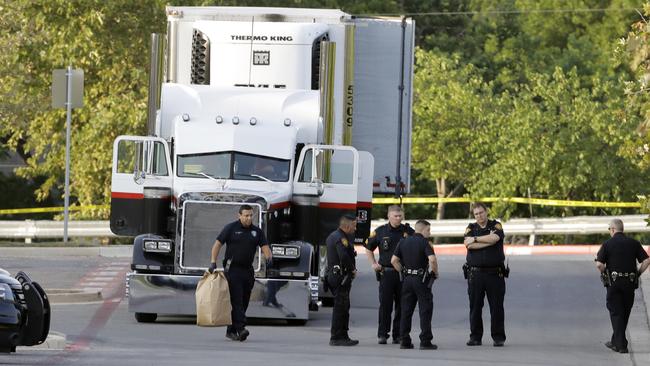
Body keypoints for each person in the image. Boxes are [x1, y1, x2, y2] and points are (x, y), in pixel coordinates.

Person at [208, 204, 272, 342]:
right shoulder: (231, 228)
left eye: (251, 215)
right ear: (239, 216)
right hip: (233, 270)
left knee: (244, 301)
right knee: (236, 300)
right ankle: (241, 328)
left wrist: (269, 258)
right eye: (246, 215)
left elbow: (265, 247)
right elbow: (217, 244)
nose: (249, 218)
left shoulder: (257, 232)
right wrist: (213, 262)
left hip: (247, 270)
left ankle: (230, 330)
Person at [595, 218, 650, 353]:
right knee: (624, 312)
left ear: (613, 229)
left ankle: (621, 346)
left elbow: (599, 264)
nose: (609, 231)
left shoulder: (607, 244)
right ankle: (616, 341)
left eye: (609, 229)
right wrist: (637, 274)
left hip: (614, 283)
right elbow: (647, 260)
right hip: (630, 283)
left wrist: (602, 271)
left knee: (616, 312)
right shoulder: (634, 243)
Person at [364, 205, 414, 344]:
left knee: (402, 305)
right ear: (389, 216)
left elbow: (417, 245)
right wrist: (373, 263)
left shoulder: (408, 231)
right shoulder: (380, 231)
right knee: (385, 305)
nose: (398, 218)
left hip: (403, 274)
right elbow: (368, 247)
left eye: (400, 216)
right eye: (395, 216)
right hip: (386, 273)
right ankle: (382, 334)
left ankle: (397, 335)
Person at [463, 202, 507, 347]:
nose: (479, 216)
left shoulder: (496, 225)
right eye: (476, 214)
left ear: (486, 212)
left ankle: (498, 337)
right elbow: (468, 244)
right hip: (475, 275)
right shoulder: (471, 227)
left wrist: (476, 239)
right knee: (475, 307)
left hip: (495, 274)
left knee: (496, 307)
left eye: (481, 212)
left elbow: (495, 238)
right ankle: (475, 337)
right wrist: (487, 241)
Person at [391, 220, 438, 350]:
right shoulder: (425, 242)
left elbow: (394, 260)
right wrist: (434, 272)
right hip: (421, 280)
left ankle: (404, 341)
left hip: (407, 280)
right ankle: (425, 341)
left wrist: (402, 271)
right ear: (422, 230)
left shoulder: (403, 241)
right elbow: (432, 259)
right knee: (425, 310)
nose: (429, 233)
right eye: (428, 230)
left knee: (406, 310)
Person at [326, 213, 359, 346]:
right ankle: (337, 337)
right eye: (354, 225)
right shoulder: (340, 238)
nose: (355, 228)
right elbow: (343, 256)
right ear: (347, 225)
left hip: (336, 276)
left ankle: (343, 335)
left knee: (343, 306)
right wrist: (352, 269)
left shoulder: (335, 235)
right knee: (341, 307)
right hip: (340, 277)